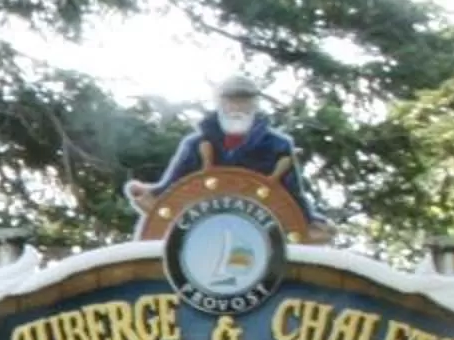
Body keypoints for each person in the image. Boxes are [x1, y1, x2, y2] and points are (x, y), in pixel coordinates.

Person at [127, 73, 328, 231]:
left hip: (260, 230)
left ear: (255, 104)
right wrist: (153, 195)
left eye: (244, 101)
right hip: (203, 230)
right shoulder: (195, 145)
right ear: (220, 104)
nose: (237, 107)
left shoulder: (278, 147)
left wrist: (309, 221)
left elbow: (293, 194)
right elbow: (174, 184)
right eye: (231, 101)